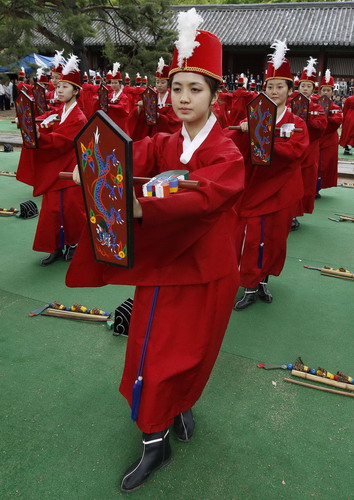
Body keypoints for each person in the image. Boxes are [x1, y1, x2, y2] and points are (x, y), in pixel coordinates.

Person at [66, 8, 244, 491]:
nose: (183, 98)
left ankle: (170, 418)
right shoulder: (166, 142)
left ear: (214, 95)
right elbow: (126, 154)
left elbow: (207, 192)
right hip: (165, 265)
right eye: (177, 88)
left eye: (196, 89)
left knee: (187, 351)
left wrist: (140, 208)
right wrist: (91, 164)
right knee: (150, 350)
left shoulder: (226, 151)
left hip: (205, 272)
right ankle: (159, 431)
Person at [227, 40, 309, 310]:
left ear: (289, 90)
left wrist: (261, 135)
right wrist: (243, 132)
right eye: (270, 86)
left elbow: (296, 152)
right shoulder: (254, 115)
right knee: (251, 237)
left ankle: (263, 280)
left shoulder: (295, 122)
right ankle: (249, 283)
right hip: (254, 186)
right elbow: (237, 150)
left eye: (280, 86)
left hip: (281, 189)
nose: (274, 91)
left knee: (275, 238)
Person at [16, 54, 87, 265]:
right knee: (52, 209)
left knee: (72, 210)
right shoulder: (60, 111)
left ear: (76, 91)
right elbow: (47, 123)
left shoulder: (79, 117)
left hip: (70, 168)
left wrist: (40, 136)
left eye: (66, 86)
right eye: (59, 86)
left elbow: (61, 140)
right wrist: (33, 125)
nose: (60, 89)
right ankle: (55, 246)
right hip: (56, 167)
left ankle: (74, 244)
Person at [291, 57, 327, 228]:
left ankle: (295, 215)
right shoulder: (288, 102)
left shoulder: (317, 107)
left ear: (314, 89)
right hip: (290, 149)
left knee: (304, 183)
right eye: (303, 85)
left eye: (308, 86)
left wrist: (307, 120)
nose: (305, 89)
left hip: (310, 149)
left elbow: (321, 126)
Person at [316, 70, 343, 196]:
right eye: (323, 90)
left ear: (332, 92)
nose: (325, 92)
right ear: (319, 91)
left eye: (328, 90)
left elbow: (337, 121)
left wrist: (322, 119)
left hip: (329, 141)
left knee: (324, 166)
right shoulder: (313, 105)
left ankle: (318, 187)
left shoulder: (336, 107)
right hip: (316, 140)